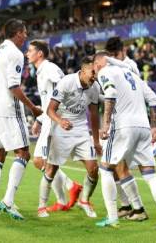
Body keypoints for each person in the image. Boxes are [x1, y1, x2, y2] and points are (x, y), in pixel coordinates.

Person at [93, 51, 156, 230]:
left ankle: (112, 217)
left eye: (95, 66)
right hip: (143, 127)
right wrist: (154, 127)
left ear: (98, 63)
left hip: (121, 126)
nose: (95, 70)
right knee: (151, 175)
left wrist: (106, 124)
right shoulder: (133, 75)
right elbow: (153, 99)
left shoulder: (105, 72)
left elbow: (111, 92)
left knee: (106, 170)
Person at [0, 19, 42, 220]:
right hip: (8, 109)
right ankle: (7, 200)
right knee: (23, 153)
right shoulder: (15, 53)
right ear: (17, 33)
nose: (26, 37)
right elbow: (13, 87)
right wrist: (33, 108)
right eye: (24, 33)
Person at [38, 56, 102, 218]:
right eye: (92, 72)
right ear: (83, 70)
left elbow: (94, 115)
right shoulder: (67, 82)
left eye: (96, 73)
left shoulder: (94, 87)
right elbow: (50, 109)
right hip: (62, 127)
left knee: (93, 169)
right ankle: (41, 207)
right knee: (51, 168)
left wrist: (96, 141)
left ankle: (84, 200)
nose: (95, 76)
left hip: (80, 129)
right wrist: (60, 121)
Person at [26, 40, 82, 213]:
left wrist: (60, 117)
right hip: (50, 119)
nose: (27, 53)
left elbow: (64, 87)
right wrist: (39, 120)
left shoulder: (49, 69)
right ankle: (63, 198)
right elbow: (48, 99)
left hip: (55, 120)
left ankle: (69, 187)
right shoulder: (41, 71)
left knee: (39, 160)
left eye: (30, 50)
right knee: (49, 162)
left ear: (40, 53)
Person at [104, 36, 148, 221]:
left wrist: (105, 60)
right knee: (115, 166)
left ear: (123, 51)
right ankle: (126, 206)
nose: (114, 57)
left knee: (115, 165)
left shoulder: (130, 66)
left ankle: (138, 209)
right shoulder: (115, 67)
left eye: (116, 54)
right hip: (121, 120)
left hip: (129, 121)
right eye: (111, 55)